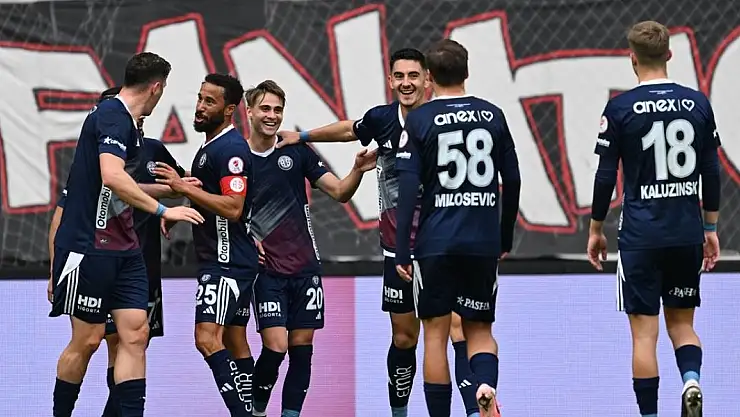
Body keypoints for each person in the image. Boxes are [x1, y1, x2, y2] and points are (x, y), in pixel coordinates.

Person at [278, 48, 482, 417]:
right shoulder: (382, 119)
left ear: (428, 79)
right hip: (396, 249)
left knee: (456, 328)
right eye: (399, 76)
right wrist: (302, 135)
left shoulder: (446, 120)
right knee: (404, 337)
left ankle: (474, 410)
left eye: (413, 76)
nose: (406, 83)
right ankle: (399, 412)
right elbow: (349, 130)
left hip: (442, 245)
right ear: (390, 80)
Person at [49, 52, 204, 417]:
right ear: (156, 88)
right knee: (88, 340)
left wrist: (175, 188)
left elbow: (127, 185)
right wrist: (165, 210)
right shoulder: (112, 115)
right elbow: (113, 177)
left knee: (135, 334)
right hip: (88, 248)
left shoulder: (132, 127)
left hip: (127, 250)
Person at [587, 21, 720, 417]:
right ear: (670, 55)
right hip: (685, 230)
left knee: (644, 336)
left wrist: (596, 228)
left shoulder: (620, 108)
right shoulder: (697, 103)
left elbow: (605, 176)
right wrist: (710, 228)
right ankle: (691, 381)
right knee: (682, 325)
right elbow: (711, 172)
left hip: (641, 235)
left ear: (632, 59)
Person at [394, 39, 521, 417]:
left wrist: (402, 249)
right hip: (481, 241)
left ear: (429, 77)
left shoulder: (419, 120)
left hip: (435, 242)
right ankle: (485, 385)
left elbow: (407, 190)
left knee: (434, 335)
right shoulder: (493, 115)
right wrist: (504, 236)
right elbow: (513, 180)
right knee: (479, 331)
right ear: (466, 71)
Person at [244, 80, 375, 417]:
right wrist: (245, 236)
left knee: (302, 350)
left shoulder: (296, 151)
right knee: (276, 347)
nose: (272, 116)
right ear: (249, 111)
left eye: (278, 110)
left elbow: (340, 192)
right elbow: (220, 207)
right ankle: (256, 411)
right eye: (265, 108)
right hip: (266, 271)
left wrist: (357, 170)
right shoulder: (235, 158)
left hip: (305, 268)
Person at [154, 73, 257, 417]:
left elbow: (233, 207)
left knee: (206, 337)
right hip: (230, 259)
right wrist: (181, 209)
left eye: (209, 102)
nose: (199, 107)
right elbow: (209, 193)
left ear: (229, 110)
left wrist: (183, 188)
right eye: (200, 98)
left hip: (226, 261)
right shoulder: (210, 147)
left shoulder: (231, 149)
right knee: (234, 342)